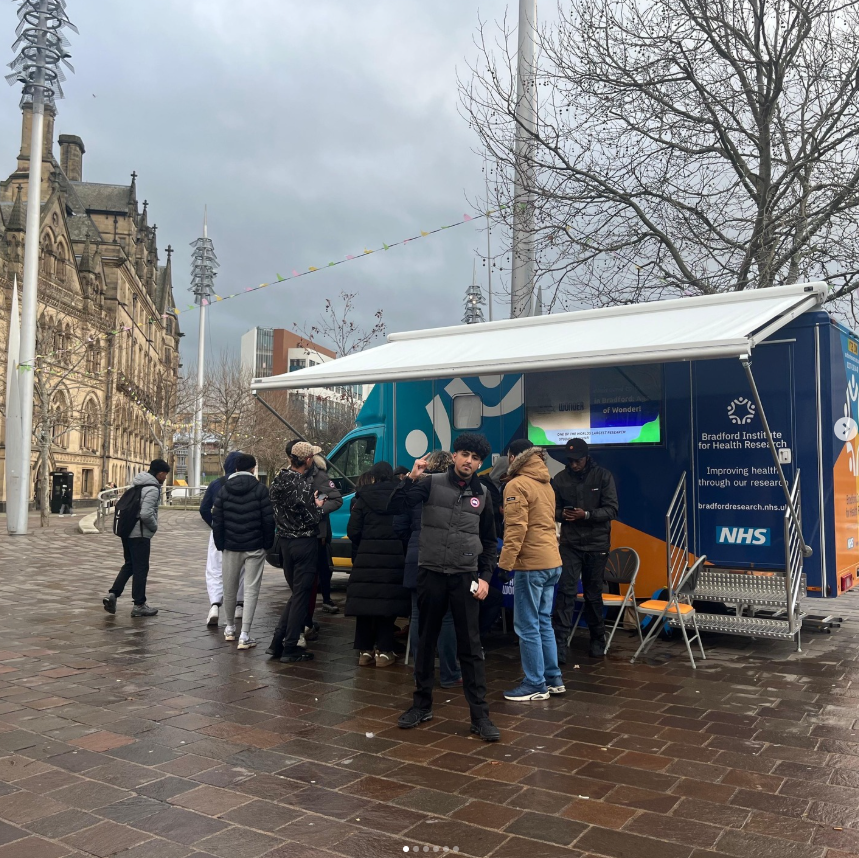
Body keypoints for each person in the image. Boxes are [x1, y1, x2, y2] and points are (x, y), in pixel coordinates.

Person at [389, 433, 501, 742]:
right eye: (465, 454)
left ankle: (480, 717)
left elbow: (490, 542)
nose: (469, 461)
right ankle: (421, 706)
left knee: (471, 647)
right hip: (431, 573)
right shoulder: (429, 483)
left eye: (476, 458)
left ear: (481, 463)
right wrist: (411, 479)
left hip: (465, 577)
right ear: (454, 455)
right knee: (426, 642)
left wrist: (486, 578)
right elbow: (394, 507)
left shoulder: (484, 494)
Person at [497, 439, 565, 701]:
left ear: (513, 457)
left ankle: (535, 683)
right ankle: (553, 678)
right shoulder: (546, 483)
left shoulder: (516, 484)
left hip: (531, 564)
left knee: (526, 626)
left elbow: (516, 529)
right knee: (543, 621)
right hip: (552, 562)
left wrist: (505, 564)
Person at [393, 450, 461, 688]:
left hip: (416, 555)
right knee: (447, 618)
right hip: (444, 555)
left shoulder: (417, 488)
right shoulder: (454, 489)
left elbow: (399, 524)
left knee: (417, 615)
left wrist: (412, 543)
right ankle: (450, 673)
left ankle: (420, 673)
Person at [552, 438, 619, 660]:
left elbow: (611, 510)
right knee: (565, 592)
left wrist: (587, 515)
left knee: (593, 595)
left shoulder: (603, 476)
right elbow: (552, 510)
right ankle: (559, 645)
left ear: (586, 457)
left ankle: (597, 640)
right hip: (570, 544)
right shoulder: (560, 479)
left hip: (597, 544)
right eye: (570, 461)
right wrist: (564, 515)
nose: (574, 465)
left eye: (578, 460)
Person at [346, 462, 410, 666]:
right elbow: (405, 527)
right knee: (387, 605)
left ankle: (364, 652)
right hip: (393, 559)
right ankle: (384, 652)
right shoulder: (399, 496)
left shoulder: (363, 498)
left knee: (365, 605)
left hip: (366, 558)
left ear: (373, 477)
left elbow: (352, 531)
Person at [267, 442, 326, 662]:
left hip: (284, 542)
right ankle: (290, 646)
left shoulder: (277, 481)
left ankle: (277, 642)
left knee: (296, 594)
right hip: (304, 542)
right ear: (308, 460)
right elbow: (312, 517)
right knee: (301, 595)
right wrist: (317, 505)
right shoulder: (302, 486)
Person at [212, 453, 275, 650]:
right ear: (253, 469)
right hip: (255, 546)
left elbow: (218, 522)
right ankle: (245, 634)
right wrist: (267, 544)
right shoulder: (260, 490)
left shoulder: (223, 490)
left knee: (229, 587)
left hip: (231, 546)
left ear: (236, 469)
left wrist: (221, 544)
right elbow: (268, 520)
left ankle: (230, 628)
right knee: (251, 589)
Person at [102, 458, 170, 618]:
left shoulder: (137, 483)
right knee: (141, 568)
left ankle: (113, 594)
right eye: (165, 474)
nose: (166, 478)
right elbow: (146, 513)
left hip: (127, 530)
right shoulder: (153, 488)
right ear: (160, 473)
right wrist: (154, 527)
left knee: (130, 564)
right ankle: (139, 604)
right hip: (140, 534)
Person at [199, 451, 245, 627]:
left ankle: (215, 605)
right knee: (242, 568)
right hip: (242, 532)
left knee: (215, 568)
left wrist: (214, 525)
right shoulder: (250, 483)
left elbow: (204, 509)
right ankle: (239, 605)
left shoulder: (216, 484)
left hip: (219, 531)